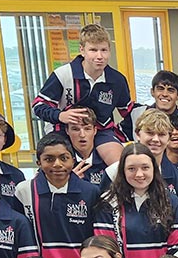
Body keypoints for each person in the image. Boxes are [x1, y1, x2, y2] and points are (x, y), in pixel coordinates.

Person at [31, 23, 132, 165]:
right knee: (57, 164)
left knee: (120, 164)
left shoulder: (117, 80)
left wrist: (124, 132)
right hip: (63, 129)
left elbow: (128, 111)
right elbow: (38, 106)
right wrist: (60, 116)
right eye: (93, 50)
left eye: (104, 50)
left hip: (100, 129)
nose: (99, 56)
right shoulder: (64, 74)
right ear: (82, 50)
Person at [13, 132, 104, 258]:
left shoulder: (91, 191)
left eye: (64, 158)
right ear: (38, 162)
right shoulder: (24, 191)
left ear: (73, 160)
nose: (57, 164)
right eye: (49, 159)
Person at [94, 143, 178, 258]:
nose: (139, 174)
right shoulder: (108, 202)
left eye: (145, 168)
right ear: (122, 171)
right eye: (131, 169)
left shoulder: (171, 201)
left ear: (154, 169)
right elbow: (107, 249)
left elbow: (177, 248)